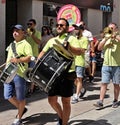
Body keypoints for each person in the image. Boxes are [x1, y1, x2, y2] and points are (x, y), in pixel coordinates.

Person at [37, 18, 83, 125]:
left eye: (62, 25)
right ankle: (62, 117)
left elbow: (80, 52)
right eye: (58, 25)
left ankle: (64, 123)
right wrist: (37, 64)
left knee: (65, 101)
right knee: (51, 100)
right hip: (53, 74)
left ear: (67, 28)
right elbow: (43, 53)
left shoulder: (72, 38)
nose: (59, 27)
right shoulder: (52, 40)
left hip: (67, 73)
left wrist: (69, 47)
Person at [4, 24, 33, 125]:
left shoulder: (26, 44)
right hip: (8, 73)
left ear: (23, 32)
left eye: (17, 31)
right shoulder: (11, 44)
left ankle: (19, 118)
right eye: (13, 31)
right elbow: (8, 58)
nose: (15, 33)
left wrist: (18, 60)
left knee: (21, 98)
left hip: (19, 74)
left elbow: (29, 57)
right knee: (7, 95)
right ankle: (22, 108)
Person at [93, 22, 120, 109]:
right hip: (106, 64)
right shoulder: (106, 37)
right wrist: (105, 38)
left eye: (112, 28)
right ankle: (100, 101)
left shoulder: (118, 36)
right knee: (104, 83)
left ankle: (115, 100)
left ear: (116, 29)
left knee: (116, 84)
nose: (110, 30)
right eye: (109, 28)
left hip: (116, 64)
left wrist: (115, 36)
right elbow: (99, 48)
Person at [71, 24, 88, 104]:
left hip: (80, 61)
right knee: (74, 79)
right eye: (75, 29)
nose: (75, 30)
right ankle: (82, 89)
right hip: (72, 62)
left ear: (81, 30)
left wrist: (74, 49)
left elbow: (83, 50)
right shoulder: (73, 38)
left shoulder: (84, 39)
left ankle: (76, 96)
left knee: (79, 79)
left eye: (77, 28)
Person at [26, 19, 41, 95]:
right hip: (26, 55)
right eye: (28, 24)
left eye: (30, 24)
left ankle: (31, 89)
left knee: (32, 72)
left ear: (34, 25)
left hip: (34, 55)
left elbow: (38, 42)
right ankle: (34, 85)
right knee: (25, 72)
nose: (29, 26)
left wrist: (32, 35)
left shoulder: (38, 33)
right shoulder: (26, 32)